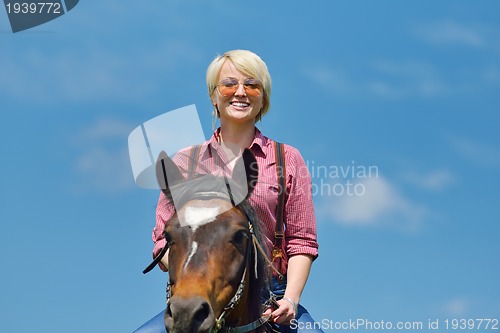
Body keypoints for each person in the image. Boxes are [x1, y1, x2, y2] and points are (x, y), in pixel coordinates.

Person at [134, 49, 323, 333]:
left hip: (270, 295)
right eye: (229, 83)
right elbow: (163, 242)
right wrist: (187, 271)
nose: (240, 92)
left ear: (263, 98)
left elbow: (302, 242)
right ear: (214, 96)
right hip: (195, 291)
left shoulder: (288, 159)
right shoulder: (186, 161)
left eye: (252, 84)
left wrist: (291, 300)